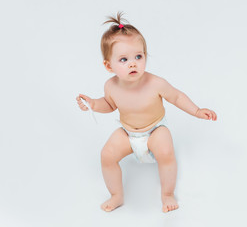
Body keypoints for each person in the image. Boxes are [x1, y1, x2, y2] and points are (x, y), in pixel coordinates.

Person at [76, 12, 217, 213]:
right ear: (109, 66)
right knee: (107, 155)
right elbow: (109, 104)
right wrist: (93, 104)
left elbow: (176, 97)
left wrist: (196, 110)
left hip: (155, 130)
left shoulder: (155, 83)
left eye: (138, 57)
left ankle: (167, 193)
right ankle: (116, 195)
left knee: (166, 152)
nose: (133, 63)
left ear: (145, 55)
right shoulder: (111, 86)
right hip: (128, 133)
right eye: (123, 59)